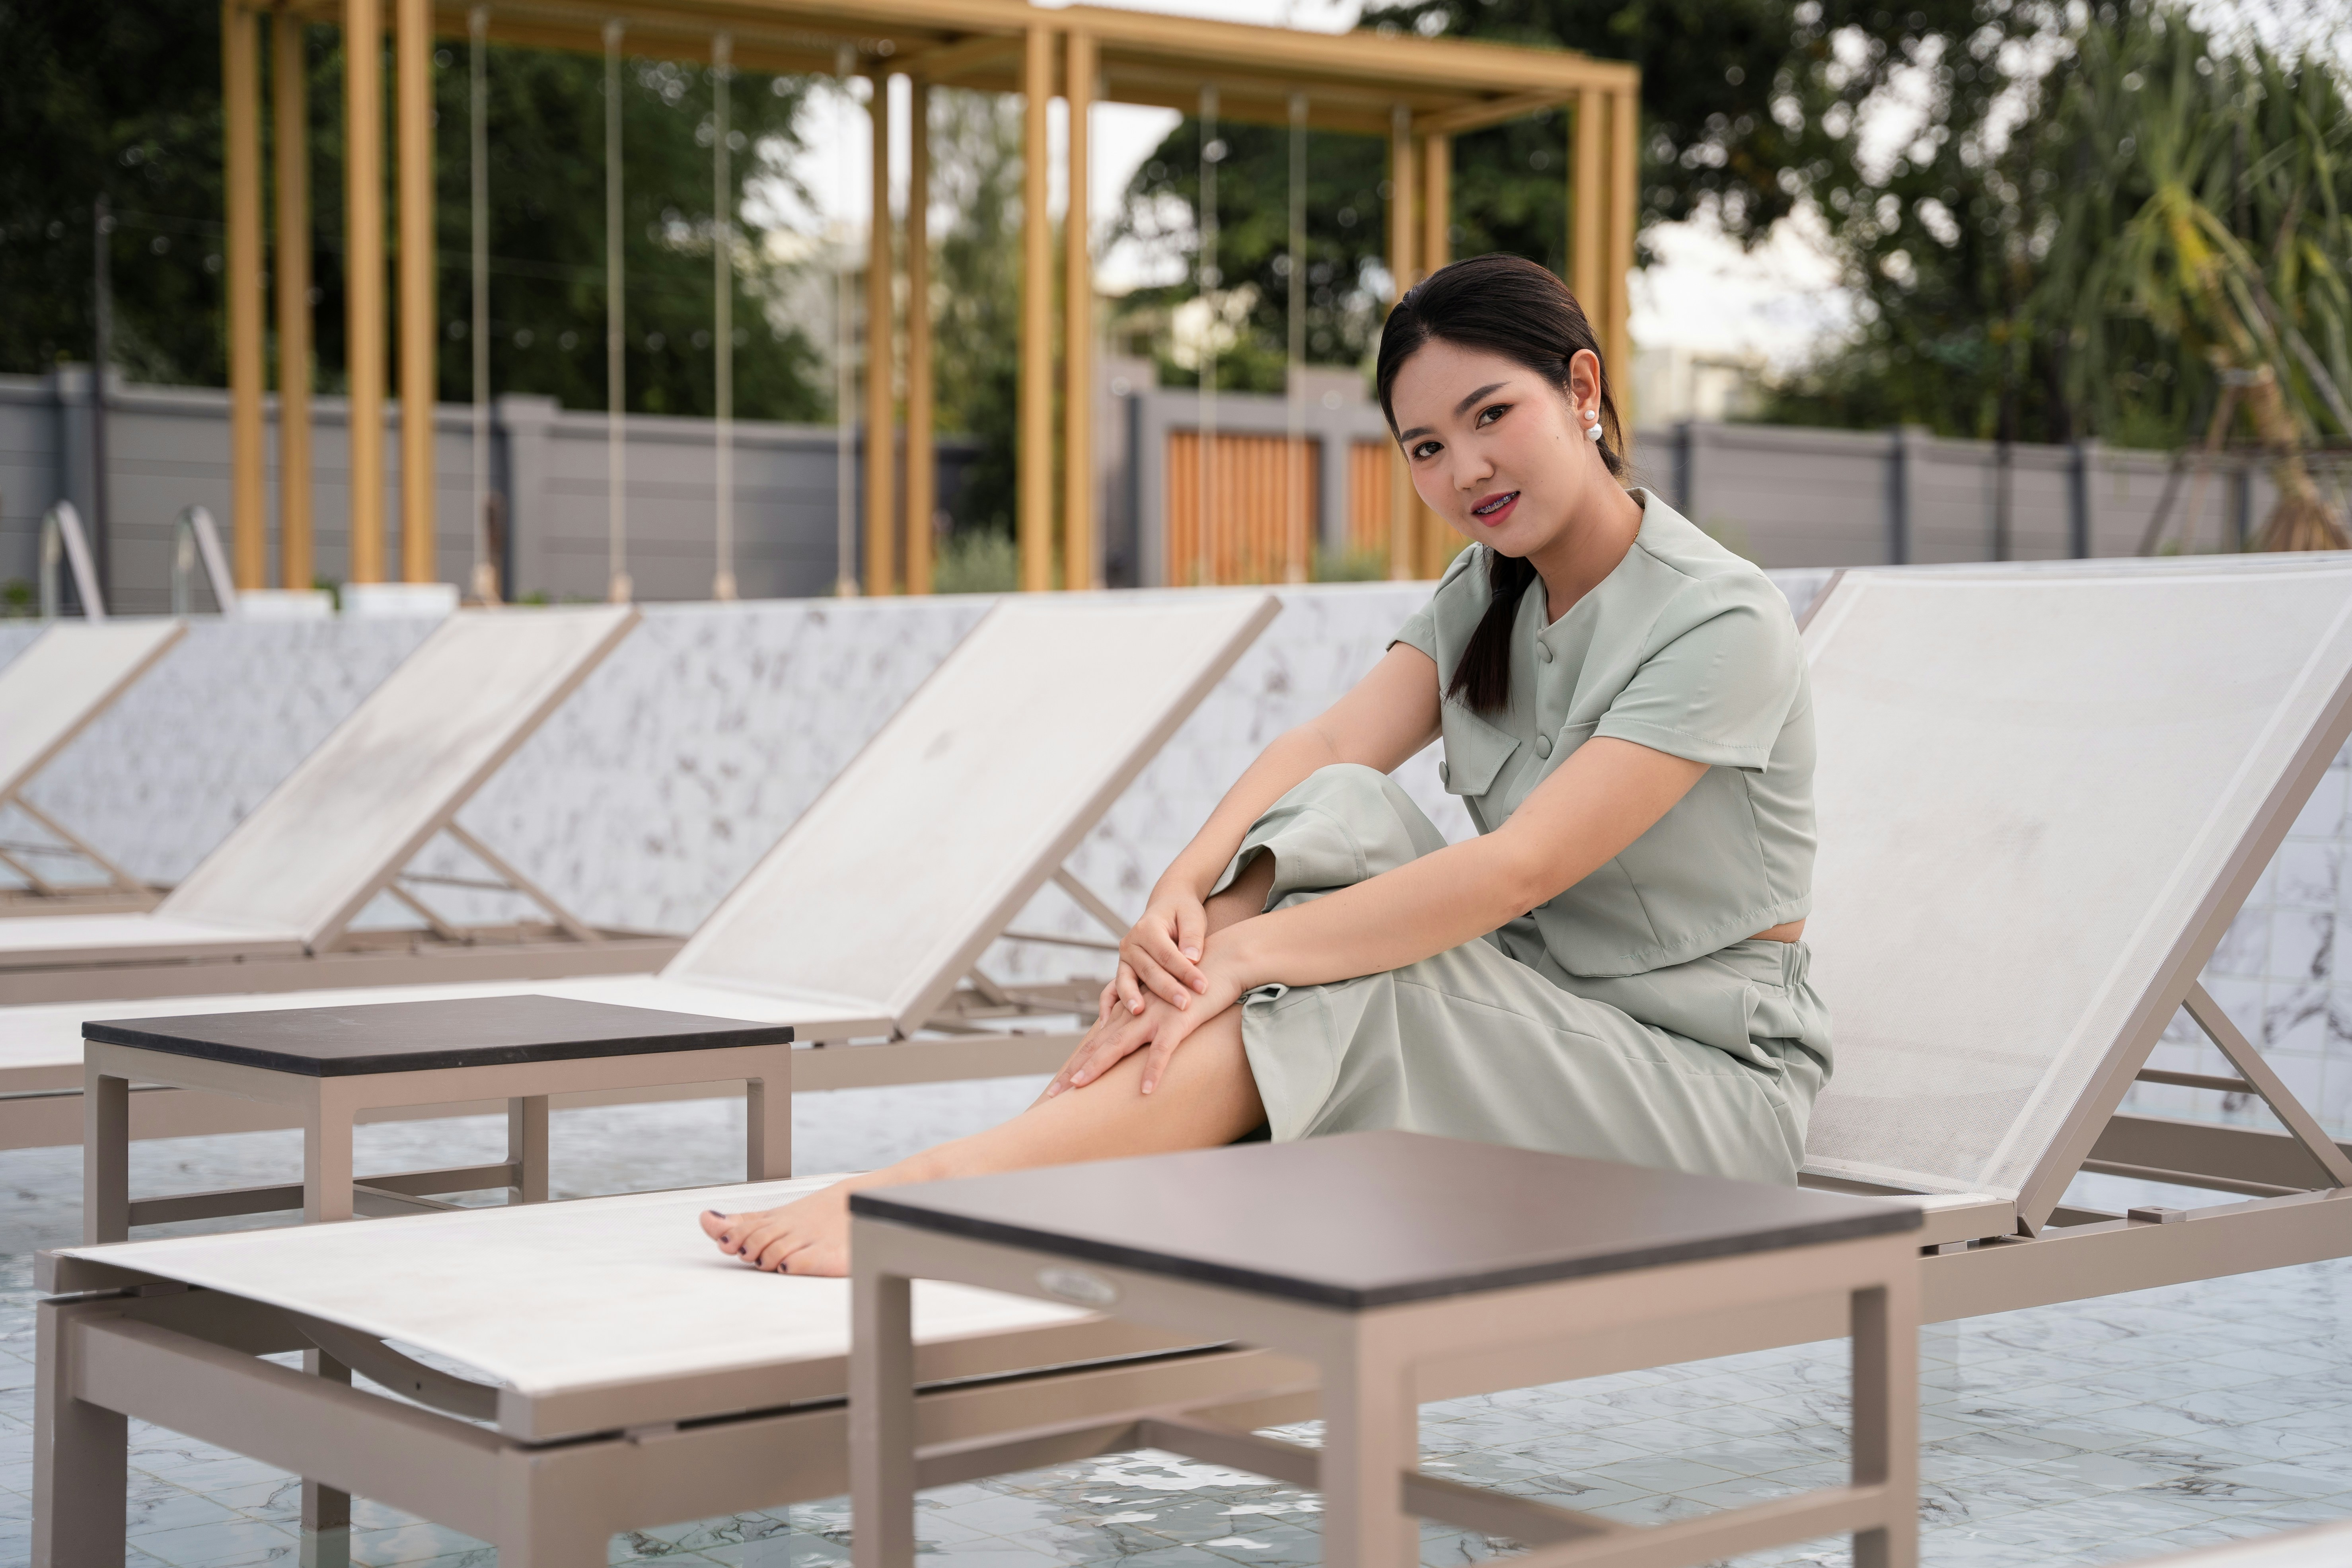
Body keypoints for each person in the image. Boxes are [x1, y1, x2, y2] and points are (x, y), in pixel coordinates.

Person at [703, 253, 1828, 1277]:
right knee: (1333, 808)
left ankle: (963, 1183)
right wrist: (1182, 895)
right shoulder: (1491, 590)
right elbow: (1331, 748)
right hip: (1539, 1017)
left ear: (1582, 392)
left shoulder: (1718, 617)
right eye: (1427, 447)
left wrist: (1247, 963)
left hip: (1697, 1090)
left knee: (1332, 988)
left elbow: (1518, 871)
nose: (1466, 468)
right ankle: (1056, 1143)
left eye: (1494, 416)